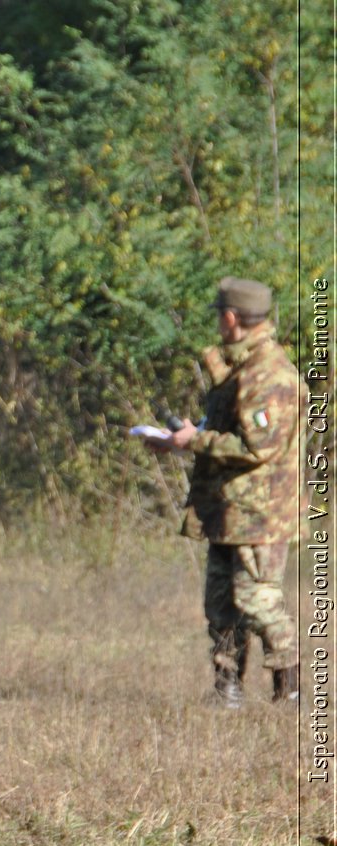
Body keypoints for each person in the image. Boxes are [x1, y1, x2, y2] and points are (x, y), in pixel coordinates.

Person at [148, 276, 302, 706]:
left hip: (260, 512)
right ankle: (226, 690)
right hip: (228, 508)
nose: (218, 324)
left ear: (232, 318)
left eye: (220, 316)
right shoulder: (239, 368)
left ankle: (289, 693)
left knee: (258, 600)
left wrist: (192, 441)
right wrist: (182, 434)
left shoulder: (268, 374)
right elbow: (228, 431)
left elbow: (258, 447)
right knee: (220, 603)